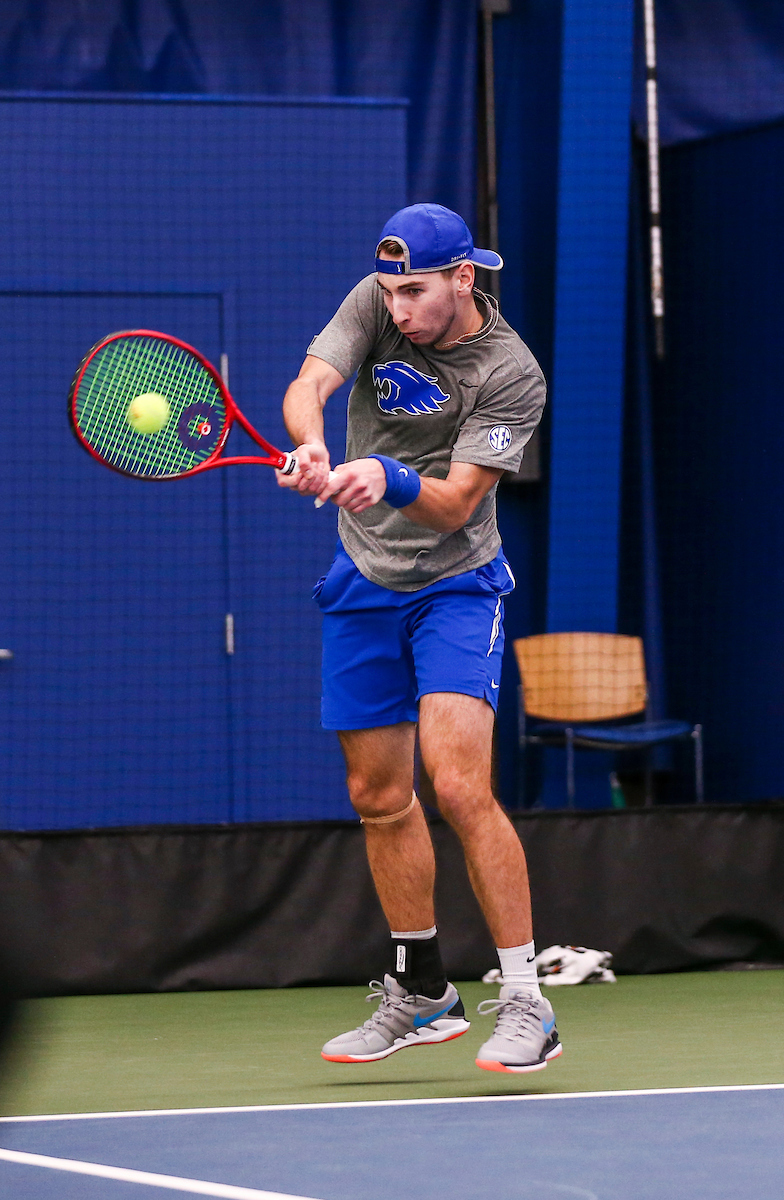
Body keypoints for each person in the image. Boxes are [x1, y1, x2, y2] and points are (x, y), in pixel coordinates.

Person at [277, 203, 561, 1074]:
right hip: (363, 580)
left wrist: (388, 474)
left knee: (459, 782)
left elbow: (453, 505)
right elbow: (309, 383)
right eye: (392, 292)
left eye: (416, 293)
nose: (399, 310)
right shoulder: (373, 298)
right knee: (377, 794)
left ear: (463, 279)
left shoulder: (510, 373)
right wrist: (315, 447)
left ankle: (527, 1002)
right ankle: (422, 989)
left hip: (455, 586)